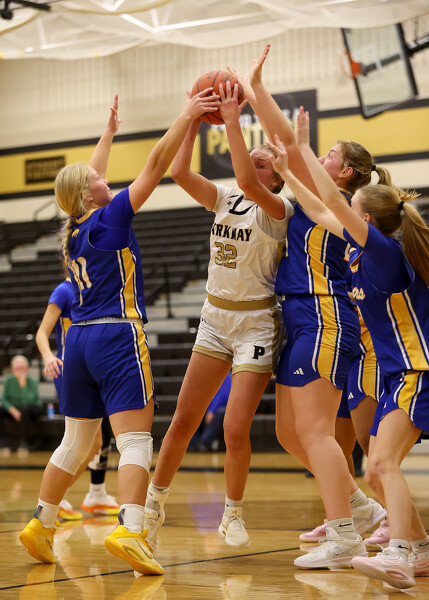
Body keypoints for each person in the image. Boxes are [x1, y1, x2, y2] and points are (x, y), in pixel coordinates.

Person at [19, 89, 220, 575]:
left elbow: (86, 178)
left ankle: (42, 523)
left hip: (78, 342)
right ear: (89, 195)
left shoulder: (73, 229)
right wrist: (187, 115)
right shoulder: (111, 219)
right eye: (99, 180)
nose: (105, 178)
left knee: (73, 443)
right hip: (116, 336)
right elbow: (155, 165)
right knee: (134, 440)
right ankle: (130, 528)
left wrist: (108, 134)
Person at [227, 45, 385, 568]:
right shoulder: (310, 192)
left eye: (329, 155)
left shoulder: (336, 201)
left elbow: (289, 145)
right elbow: (288, 151)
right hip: (296, 316)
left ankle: (344, 536)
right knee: (286, 432)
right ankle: (358, 507)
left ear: (345, 173)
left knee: (316, 431)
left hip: (322, 313)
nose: (319, 158)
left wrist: (254, 90)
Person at [268, 108, 429, 589]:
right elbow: (320, 210)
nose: (340, 209)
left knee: (380, 464)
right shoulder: (360, 250)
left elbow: (329, 206)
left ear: (365, 218)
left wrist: (300, 148)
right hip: (397, 375)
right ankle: (419, 549)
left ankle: (399, 554)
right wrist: (287, 171)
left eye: (350, 206)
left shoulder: (384, 251)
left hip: (417, 371)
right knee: (377, 470)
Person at [144, 81, 293, 552]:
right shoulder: (226, 196)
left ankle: (232, 514)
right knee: (182, 420)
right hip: (215, 319)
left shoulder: (279, 209)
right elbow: (179, 172)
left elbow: (248, 180)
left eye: (263, 162)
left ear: (277, 179)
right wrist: (192, 117)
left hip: (256, 324)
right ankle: (152, 508)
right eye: (252, 158)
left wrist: (231, 119)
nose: (253, 164)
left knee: (233, 427)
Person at [36, 267, 120, 520]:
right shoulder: (64, 291)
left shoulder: (93, 287)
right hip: (69, 370)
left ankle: (93, 493)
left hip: (93, 367)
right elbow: (42, 332)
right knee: (84, 441)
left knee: (99, 439)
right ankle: (56, 497)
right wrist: (48, 356)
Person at [0, 355, 43, 456]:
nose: (19, 371)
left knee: (25, 409)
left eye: (22, 368)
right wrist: (12, 410)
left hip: (32, 409)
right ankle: (3, 443)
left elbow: (29, 401)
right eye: (17, 368)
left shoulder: (32, 381)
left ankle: (24, 444)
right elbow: (4, 399)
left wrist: (23, 384)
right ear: (12, 369)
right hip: (15, 409)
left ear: (27, 369)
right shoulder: (9, 380)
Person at [189, 371, 232, 452]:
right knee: (190, 411)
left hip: (218, 409)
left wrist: (211, 410)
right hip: (205, 408)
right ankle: (193, 443)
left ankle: (204, 442)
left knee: (221, 412)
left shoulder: (226, 376)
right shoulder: (204, 376)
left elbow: (223, 396)